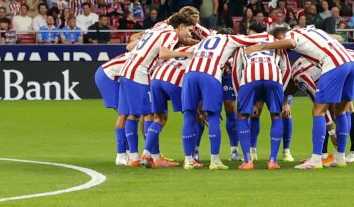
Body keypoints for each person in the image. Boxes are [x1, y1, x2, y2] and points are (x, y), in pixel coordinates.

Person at [246, 25, 354, 169]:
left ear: (279, 38)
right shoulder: (308, 30)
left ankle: (316, 159)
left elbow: (290, 42)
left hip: (335, 63)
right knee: (341, 110)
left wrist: (261, 47)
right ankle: (340, 157)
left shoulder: (296, 64)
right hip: (351, 61)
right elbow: (338, 37)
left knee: (318, 110)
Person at [180, 28, 267, 170]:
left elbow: (186, 50)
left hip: (189, 74)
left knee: (189, 115)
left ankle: (188, 161)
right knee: (213, 116)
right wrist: (269, 37)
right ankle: (215, 161)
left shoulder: (205, 40)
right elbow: (255, 38)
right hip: (210, 74)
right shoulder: (229, 39)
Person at [118, 13, 196, 167]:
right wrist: (186, 54)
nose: (189, 34)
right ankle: (152, 158)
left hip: (127, 70)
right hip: (139, 72)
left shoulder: (158, 29)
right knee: (150, 115)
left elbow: (132, 44)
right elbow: (164, 53)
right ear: (181, 26)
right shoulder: (171, 34)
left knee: (133, 114)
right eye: (188, 30)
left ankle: (135, 157)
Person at [234, 21, 287, 169]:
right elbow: (286, 68)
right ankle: (273, 161)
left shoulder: (243, 42)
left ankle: (247, 161)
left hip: (250, 78)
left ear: (250, 31)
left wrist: (240, 94)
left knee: (242, 116)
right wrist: (282, 92)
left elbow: (236, 70)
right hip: (274, 78)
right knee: (276, 115)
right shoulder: (276, 42)